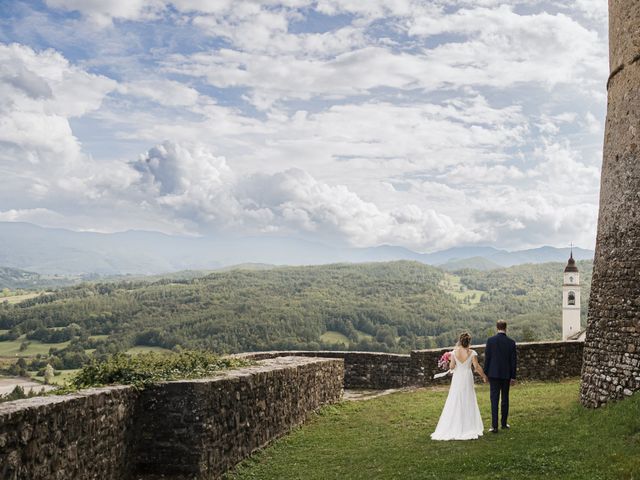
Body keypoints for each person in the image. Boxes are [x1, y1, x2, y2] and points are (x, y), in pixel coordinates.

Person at [431, 332, 488, 441]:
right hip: (467, 377)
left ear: (460, 341)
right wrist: (484, 376)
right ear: (469, 342)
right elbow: (476, 366)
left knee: (455, 398)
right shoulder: (472, 353)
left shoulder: (454, 352)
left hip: (457, 378)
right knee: (468, 398)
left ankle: (454, 424)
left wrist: (449, 362)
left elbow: (452, 367)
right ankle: (469, 426)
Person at [484, 320, 517, 433]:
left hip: (493, 374)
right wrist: (513, 376)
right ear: (506, 328)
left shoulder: (490, 341)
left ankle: (494, 426)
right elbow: (513, 361)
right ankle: (503, 423)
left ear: (497, 328)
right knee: (505, 399)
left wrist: (486, 374)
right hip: (506, 374)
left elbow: (487, 359)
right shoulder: (511, 342)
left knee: (494, 399)